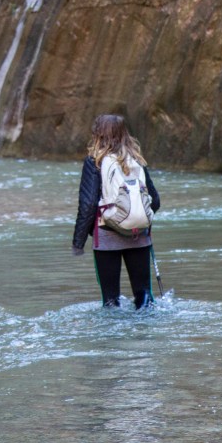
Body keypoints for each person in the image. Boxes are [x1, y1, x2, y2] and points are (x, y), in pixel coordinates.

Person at [72, 113, 160, 309]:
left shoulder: (94, 162)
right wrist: (137, 220)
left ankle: (114, 339)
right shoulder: (136, 160)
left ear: (98, 135)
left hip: (106, 238)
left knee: (111, 300)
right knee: (144, 295)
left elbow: (87, 205)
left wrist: (78, 243)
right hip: (139, 236)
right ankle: (146, 335)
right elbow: (155, 200)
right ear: (125, 134)